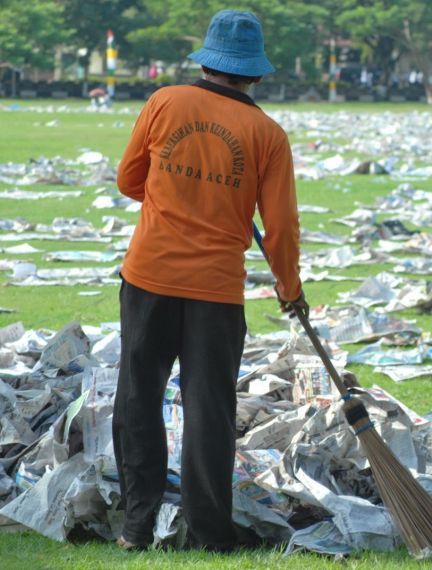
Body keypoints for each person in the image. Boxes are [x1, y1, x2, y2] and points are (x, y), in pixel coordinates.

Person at [113, 9, 307, 552]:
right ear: (257, 74)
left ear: (206, 60)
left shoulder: (164, 102)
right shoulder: (268, 134)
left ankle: (136, 526)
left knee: (138, 397)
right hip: (216, 294)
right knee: (209, 409)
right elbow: (281, 228)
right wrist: (289, 289)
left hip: (147, 276)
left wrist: (179, 195)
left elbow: (130, 180)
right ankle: (210, 534)